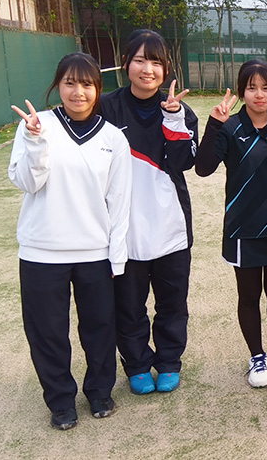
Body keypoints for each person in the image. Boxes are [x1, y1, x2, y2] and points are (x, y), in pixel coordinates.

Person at [8, 52, 132, 430]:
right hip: (41, 253)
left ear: (98, 89)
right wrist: (34, 142)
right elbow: (27, 183)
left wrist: (117, 258)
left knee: (99, 328)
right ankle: (61, 400)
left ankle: (99, 391)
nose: (78, 92)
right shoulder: (37, 125)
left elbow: (119, 202)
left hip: (95, 253)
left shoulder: (113, 138)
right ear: (57, 85)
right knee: (47, 333)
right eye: (70, 83)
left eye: (87, 84)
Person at [100, 29, 199, 395]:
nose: (147, 69)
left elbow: (184, 162)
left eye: (155, 62)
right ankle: (138, 364)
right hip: (122, 229)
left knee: (172, 303)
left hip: (170, 227)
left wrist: (172, 118)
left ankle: (169, 361)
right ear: (125, 64)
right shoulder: (105, 107)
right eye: (139, 60)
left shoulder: (181, 111)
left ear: (166, 68)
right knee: (129, 305)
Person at [195, 60, 267, 388]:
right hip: (243, 231)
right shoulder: (229, 127)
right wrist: (213, 125)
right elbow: (203, 168)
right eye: (252, 88)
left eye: (265, 88)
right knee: (249, 296)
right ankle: (256, 357)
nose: (259, 94)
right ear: (241, 92)